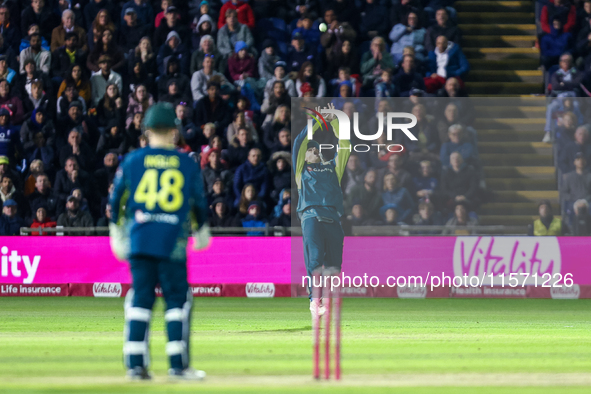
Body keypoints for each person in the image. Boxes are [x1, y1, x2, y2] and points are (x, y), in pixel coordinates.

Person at [109, 102, 210, 380]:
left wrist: (116, 233)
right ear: (175, 133)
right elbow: (197, 202)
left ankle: (135, 366)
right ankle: (178, 366)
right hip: (172, 243)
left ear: (147, 131)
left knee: (140, 298)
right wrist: (201, 230)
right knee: (177, 301)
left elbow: (116, 200)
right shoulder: (185, 163)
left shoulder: (132, 160)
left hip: (139, 241)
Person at [293, 103, 350, 311]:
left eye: (316, 148)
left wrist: (334, 120)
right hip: (312, 217)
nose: (313, 150)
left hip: (334, 220)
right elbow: (300, 142)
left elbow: (345, 145)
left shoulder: (333, 168)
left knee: (335, 266)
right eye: (310, 149)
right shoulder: (301, 170)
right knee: (315, 259)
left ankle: (327, 301)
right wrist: (318, 121)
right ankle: (313, 301)